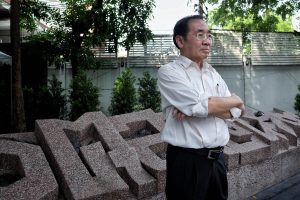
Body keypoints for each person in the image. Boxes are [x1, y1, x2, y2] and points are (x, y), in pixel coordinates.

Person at [157, 15, 245, 200]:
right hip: (186, 162)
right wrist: (230, 100)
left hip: (218, 160)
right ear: (180, 40)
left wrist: (231, 102)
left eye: (209, 35)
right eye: (199, 35)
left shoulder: (213, 74)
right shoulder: (169, 72)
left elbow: (237, 111)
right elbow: (199, 106)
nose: (207, 41)